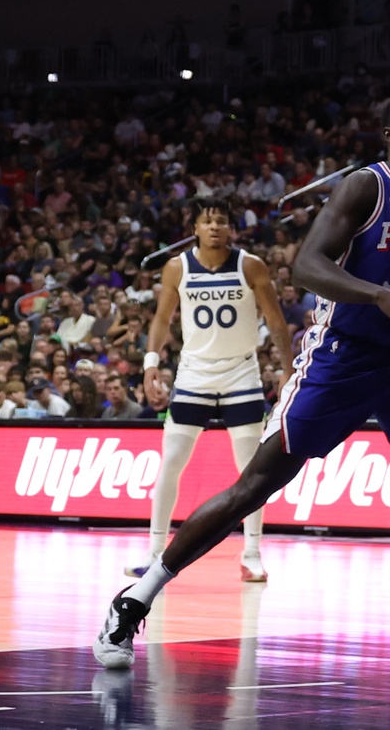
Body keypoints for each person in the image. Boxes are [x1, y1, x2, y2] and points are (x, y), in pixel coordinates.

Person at [94, 93, 390, 678]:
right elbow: (308, 265)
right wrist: (380, 295)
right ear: (388, 135)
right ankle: (135, 599)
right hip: (341, 357)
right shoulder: (364, 186)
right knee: (253, 489)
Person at [126, 199, 290, 582]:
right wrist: (150, 365)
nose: (214, 227)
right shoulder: (177, 267)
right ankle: (154, 550)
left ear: (230, 228)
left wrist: (287, 369)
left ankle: (251, 554)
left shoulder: (250, 265)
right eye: (207, 221)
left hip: (241, 375)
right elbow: (162, 319)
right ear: (195, 228)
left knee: (251, 470)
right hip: (194, 374)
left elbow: (277, 321)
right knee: (171, 462)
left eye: (221, 221)